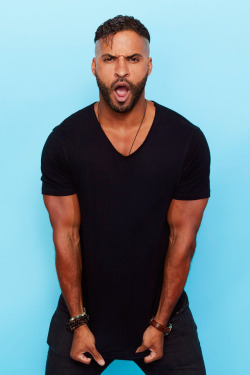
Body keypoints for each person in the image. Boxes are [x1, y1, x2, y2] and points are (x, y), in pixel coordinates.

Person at [41, 14, 210, 375]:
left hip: (165, 315)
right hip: (82, 315)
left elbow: (184, 239)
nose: (121, 71)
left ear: (148, 65)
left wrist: (161, 323)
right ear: (94, 66)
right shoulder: (64, 142)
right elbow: (65, 237)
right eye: (109, 59)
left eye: (132, 59)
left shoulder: (186, 142)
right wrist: (78, 322)